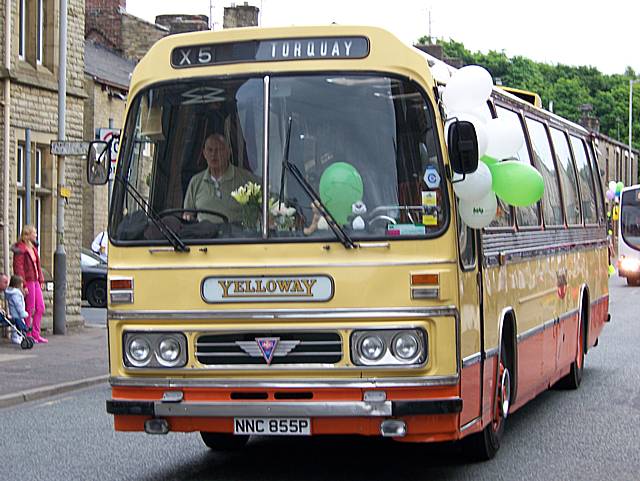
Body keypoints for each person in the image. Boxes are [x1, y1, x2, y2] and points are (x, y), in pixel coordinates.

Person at [183, 133, 258, 224]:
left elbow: (268, 206)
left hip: (237, 236)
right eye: (210, 150)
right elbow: (187, 215)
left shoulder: (246, 179)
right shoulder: (196, 182)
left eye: (219, 150)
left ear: (228, 152)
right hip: (204, 236)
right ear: (204, 154)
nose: (214, 154)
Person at [12, 225, 47, 343]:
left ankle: (36, 333)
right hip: (28, 281)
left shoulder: (33, 248)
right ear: (27, 235)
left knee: (40, 307)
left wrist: (41, 279)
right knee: (29, 308)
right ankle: (26, 333)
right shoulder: (20, 249)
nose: (36, 235)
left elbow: (38, 266)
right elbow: (19, 268)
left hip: (35, 280)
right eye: (34, 233)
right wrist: (23, 285)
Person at [5, 275, 30, 345]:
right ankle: (16, 338)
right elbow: (18, 305)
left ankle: (20, 337)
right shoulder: (15, 294)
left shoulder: (13, 293)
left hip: (14, 313)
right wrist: (23, 313)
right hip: (17, 314)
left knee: (17, 326)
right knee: (18, 326)